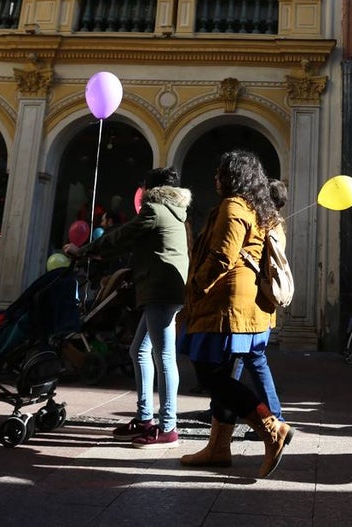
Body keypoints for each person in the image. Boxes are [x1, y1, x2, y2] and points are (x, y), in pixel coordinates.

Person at [178, 151, 293, 478]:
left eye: (220, 173)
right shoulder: (264, 209)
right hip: (252, 306)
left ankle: (271, 428)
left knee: (207, 373)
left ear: (232, 178)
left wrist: (195, 289)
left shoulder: (234, 206)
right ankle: (218, 448)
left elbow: (220, 257)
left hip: (227, 305)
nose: (216, 178)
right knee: (226, 375)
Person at [66, 166, 191, 448]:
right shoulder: (174, 211)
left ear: (151, 189)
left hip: (160, 291)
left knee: (164, 356)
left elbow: (121, 236)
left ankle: (168, 427)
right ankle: (145, 418)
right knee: (140, 350)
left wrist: (85, 250)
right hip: (163, 289)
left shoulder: (155, 210)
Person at [232, 178, 288, 421]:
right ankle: (225, 405)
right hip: (260, 303)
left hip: (255, 302)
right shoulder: (275, 226)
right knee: (246, 357)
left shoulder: (268, 227)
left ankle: (272, 415)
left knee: (250, 357)